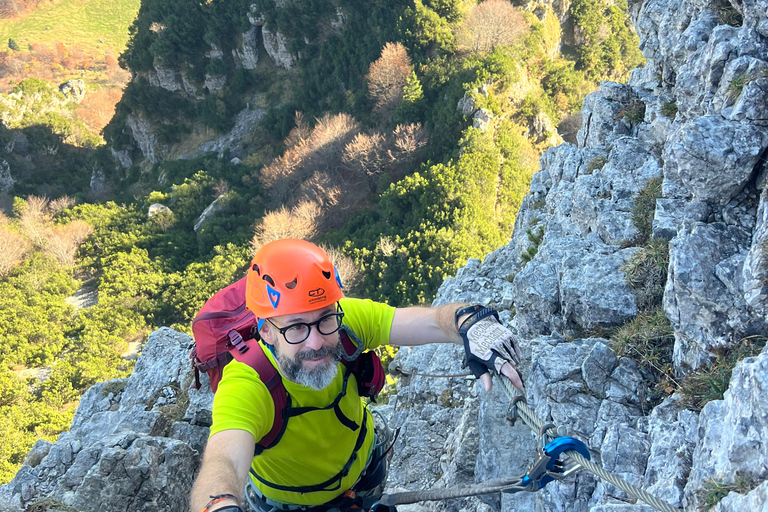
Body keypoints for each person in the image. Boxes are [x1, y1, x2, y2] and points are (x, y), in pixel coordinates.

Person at [190, 239, 524, 512]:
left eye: (324, 319)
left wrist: (471, 323)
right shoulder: (248, 383)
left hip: (365, 467)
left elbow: (431, 320)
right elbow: (224, 460)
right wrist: (219, 504)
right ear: (266, 333)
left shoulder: (346, 321)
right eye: (295, 328)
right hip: (293, 504)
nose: (316, 341)